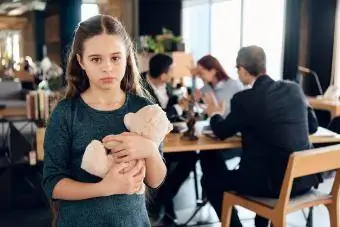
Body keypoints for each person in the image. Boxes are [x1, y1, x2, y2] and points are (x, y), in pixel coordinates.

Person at [42, 15, 166, 227]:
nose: (107, 67)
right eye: (96, 59)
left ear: (127, 58)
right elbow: (52, 184)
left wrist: (150, 151)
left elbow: (155, 180)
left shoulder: (145, 108)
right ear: (81, 61)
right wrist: (106, 187)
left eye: (115, 58)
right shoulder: (66, 113)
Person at [201, 45, 321, 227]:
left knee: (210, 180)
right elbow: (312, 127)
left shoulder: (245, 99)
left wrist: (214, 113)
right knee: (268, 164)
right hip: (302, 181)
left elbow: (221, 131)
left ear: (242, 69)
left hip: (270, 185)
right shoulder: (294, 89)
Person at [142, 53, 198, 224]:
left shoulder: (166, 85)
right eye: (171, 71)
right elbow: (153, 117)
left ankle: (161, 201)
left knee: (191, 156)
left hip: (168, 140)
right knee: (161, 163)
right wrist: (177, 108)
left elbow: (167, 109)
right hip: (149, 144)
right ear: (163, 74)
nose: (173, 74)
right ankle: (167, 210)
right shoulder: (140, 87)